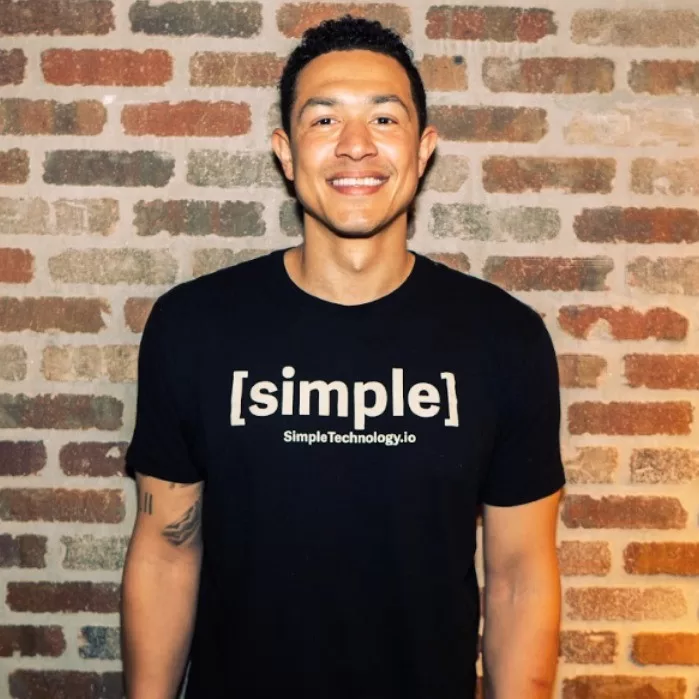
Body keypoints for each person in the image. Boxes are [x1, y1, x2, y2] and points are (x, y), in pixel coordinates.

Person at [121, 15, 565, 699]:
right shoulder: (194, 324)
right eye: (323, 121)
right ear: (285, 152)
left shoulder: (502, 338)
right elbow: (165, 550)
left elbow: (519, 573)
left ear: (423, 149)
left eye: (384, 121)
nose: (355, 147)